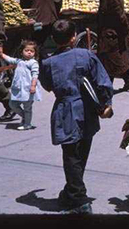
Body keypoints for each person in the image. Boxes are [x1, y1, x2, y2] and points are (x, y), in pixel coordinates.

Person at [38, 19, 114, 215]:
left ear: (54, 39)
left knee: (71, 154)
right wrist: (106, 104)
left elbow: (47, 85)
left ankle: (78, 199)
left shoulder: (48, 62)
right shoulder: (86, 55)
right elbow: (103, 82)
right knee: (81, 153)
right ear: (73, 37)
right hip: (87, 109)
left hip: (65, 109)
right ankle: (72, 192)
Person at [97, 0, 129, 91]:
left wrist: (126, 29)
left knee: (110, 60)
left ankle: (107, 87)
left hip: (111, 33)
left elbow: (120, 16)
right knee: (118, 58)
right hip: (112, 32)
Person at [1, 40, 42, 130]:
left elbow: (35, 75)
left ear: (35, 53)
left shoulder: (33, 63)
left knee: (27, 107)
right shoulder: (19, 61)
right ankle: (25, 116)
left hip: (28, 89)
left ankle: (27, 124)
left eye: (32, 51)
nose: (29, 53)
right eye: (26, 50)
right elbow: (10, 59)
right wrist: (1, 54)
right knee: (12, 104)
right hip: (19, 89)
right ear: (21, 51)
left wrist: (33, 86)